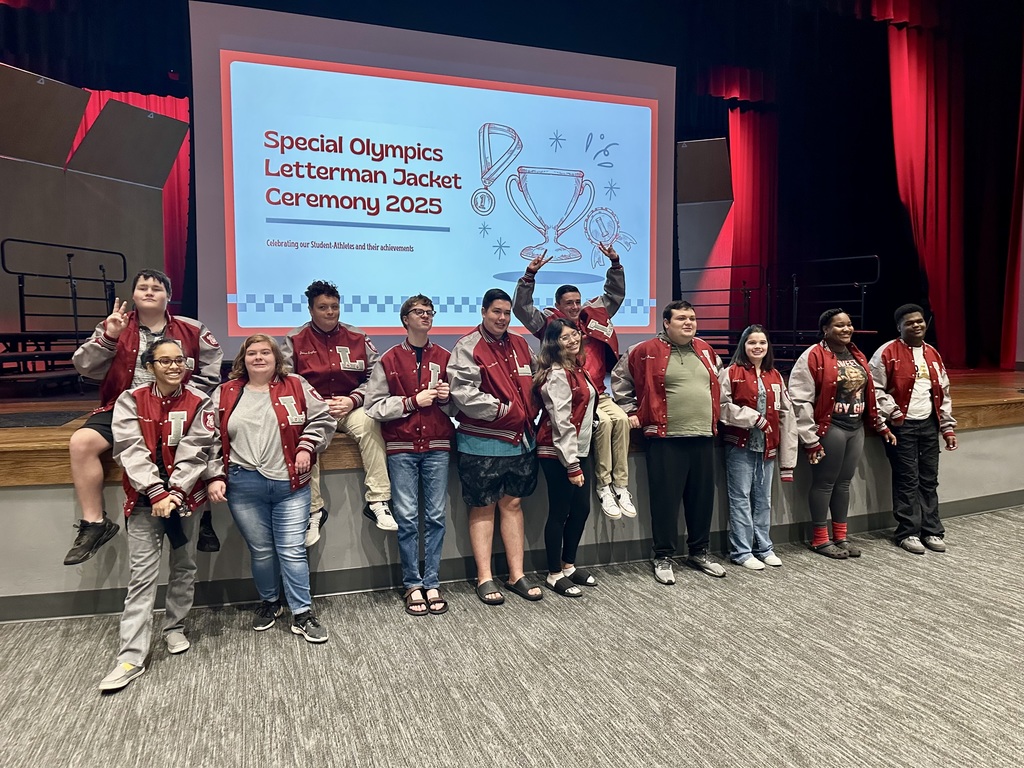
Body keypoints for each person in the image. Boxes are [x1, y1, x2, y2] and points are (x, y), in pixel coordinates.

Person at [66, 269, 222, 566]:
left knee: (199, 440)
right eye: (143, 288)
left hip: (179, 406)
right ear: (134, 296)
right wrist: (110, 337)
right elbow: (83, 366)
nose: (149, 292)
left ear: (169, 296)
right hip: (125, 406)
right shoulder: (114, 326)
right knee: (81, 442)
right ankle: (95, 523)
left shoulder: (193, 329)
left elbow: (212, 372)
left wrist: (188, 397)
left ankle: (202, 518)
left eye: (157, 288)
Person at [98, 338, 217, 692]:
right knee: (143, 578)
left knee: (184, 567)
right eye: (165, 361)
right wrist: (156, 492)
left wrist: (176, 491)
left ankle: (175, 628)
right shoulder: (129, 401)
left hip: (185, 500)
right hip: (144, 501)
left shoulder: (201, 401)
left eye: (179, 360)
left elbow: (197, 449)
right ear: (150, 366)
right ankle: (131, 655)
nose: (174, 366)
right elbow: (129, 450)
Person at [207, 334, 336, 643]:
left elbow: (323, 419)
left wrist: (307, 446)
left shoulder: (296, 385)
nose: (259, 357)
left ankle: (302, 613)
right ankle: (270, 603)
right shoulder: (224, 393)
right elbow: (208, 438)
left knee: (292, 551)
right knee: (262, 552)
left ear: (277, 359)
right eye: (252, 353)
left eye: (266, 352)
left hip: (290, 484)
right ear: (243, 359)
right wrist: (214, 475)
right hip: (243, 486)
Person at [513, 244, 636, 521]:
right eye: (568, 303)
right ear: (558, 305)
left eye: (577, 301)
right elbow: (522, 309)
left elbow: (614, 295)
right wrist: (528, 277)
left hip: (598, 393)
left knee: (622, 420)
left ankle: (621, 485)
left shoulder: (592, 318)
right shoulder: (550, 326)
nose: (574, 306)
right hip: (571, 401)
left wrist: (615, 264)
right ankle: (604, 485)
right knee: (603, 424)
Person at [611, 300, 727, 584]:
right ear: (666, 322)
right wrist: (629, 410)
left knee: (701, 500)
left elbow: (721, 387)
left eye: (692, 318)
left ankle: (699, 551)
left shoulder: (706, 351)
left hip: (702, 435)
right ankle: (663, 556)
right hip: (665, 438)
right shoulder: (643, 351)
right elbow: (619, 380)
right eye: (681, 319)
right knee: (665, 501)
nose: (689, 323)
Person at [281, 279, 395, 545]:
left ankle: (378, 500)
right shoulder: (294, 339)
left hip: (349, 406)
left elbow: (377, 378)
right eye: (323, 307)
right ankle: (314, 511)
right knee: (306, 438)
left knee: (370, 423)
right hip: (313, 409)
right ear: (311, 310)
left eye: (334, 306)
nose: (330, 312)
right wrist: (316, 404)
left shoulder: (358, 337)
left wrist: (353, 400)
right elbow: (287, 381)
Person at [448, 288, 543, 605]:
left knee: (513, 505)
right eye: (496, 312)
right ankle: (484, 577)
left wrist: (533, 408)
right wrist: (505, 411)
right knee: (483, 506)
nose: (502, 318)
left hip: (521, 444)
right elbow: (463, 395)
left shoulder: (520, 343)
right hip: (481, 444)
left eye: (506, 312)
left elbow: (538, 380)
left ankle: (516, 574)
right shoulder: (467, 347)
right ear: (483, 311)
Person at [364, 295, 455, 616]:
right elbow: (373, 406)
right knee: (406, 518)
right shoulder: (388, 360)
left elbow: (457, 407)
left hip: (438, 446)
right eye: (419, 312)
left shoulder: (446, 357)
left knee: (435, 517)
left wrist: (446, 399)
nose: (426, 316)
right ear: (405, 319)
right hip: (401, 448)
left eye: (430, 312)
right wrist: (412, 402)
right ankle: (412, 584)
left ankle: (432, 582)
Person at [789, 308, 895, 559]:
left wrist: (880, 423)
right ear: (825, 329)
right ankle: (819, 539)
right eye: (839, 326)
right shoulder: (812, 356)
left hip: (855, 426)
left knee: (844, 484)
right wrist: (811, 439)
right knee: (825, 483)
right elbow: (800, 399)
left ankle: (840, 536)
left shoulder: (856, 354)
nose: (846, 329)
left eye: (848, 325)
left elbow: (868, 393)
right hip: (830, 427)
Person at [869, 304, 957, 554]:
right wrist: (893, 411)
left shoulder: (933, 354)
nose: (917, 325)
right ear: (899, 327)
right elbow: (874, 389)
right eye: (910, 323)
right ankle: (908, 532)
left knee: (929, 479)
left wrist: (947, 427)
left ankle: (932, 530)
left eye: (920, 321)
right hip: (901, 426)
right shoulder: (887, 352)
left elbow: (944, 392)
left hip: (929, 424)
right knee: (907, 479)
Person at [718, 325, 797, 570]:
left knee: (763, 500)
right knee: (740, 498)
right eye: (752, 342)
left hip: (767, 449)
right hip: (739, 446)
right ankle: (741, 551)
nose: (757, 347)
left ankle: (764, 548)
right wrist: (752, 418)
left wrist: (788, 461)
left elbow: (787, 416)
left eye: (762, 342)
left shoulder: (775, 375)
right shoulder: (732, 372)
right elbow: (721, 407)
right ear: (744, 345)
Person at [534, 319, 599, 597]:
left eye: (575, 334)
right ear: (553, 343)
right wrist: (571, 463)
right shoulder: (557, 373)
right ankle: (553, 573)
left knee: (581, 510)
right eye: (565, 338)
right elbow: (561, 422)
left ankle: (569, 564)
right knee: (559, 513)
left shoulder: (578, 368)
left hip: (579, 449)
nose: (573, 340)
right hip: (557, 452)